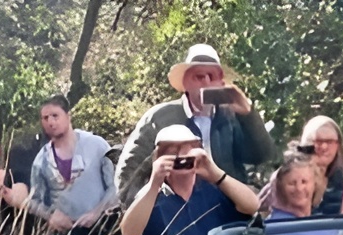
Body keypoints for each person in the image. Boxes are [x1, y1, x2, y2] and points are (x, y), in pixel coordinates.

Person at [114, 43, 275, 207]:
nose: (205, 82)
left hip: (228, 211)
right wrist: (151, 211)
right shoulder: (159, 118)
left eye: (211, 77)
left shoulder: (231, 116)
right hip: (178, 214)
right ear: (185, 83)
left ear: (220, 83)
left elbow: (261, 156)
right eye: (199, 76)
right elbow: (128, 174)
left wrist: (248, 114)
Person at [121, 124, 261, 235]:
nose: (181, 157)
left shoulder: (217, 191)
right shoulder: (152, 198)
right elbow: (129, 232)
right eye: (173, 152)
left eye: (188, 151)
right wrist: (154, 183)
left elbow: (253, 205)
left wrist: (214, 172)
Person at [27, 96, 119, 235]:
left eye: (55, 115)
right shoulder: (41, 160)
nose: (50, 121)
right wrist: (50, 216)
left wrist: (97, 211)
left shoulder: (97, 145)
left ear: (68, 116)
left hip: (102, 230)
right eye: (45, 117)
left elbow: (116, 186)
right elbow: (34, 201)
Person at [262, 151, 339, 235]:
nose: (299, 189)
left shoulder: (323, 224)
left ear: (315, 184)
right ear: (281, 187)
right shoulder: (277, 226)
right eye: (292, 183)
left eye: (304, 182)